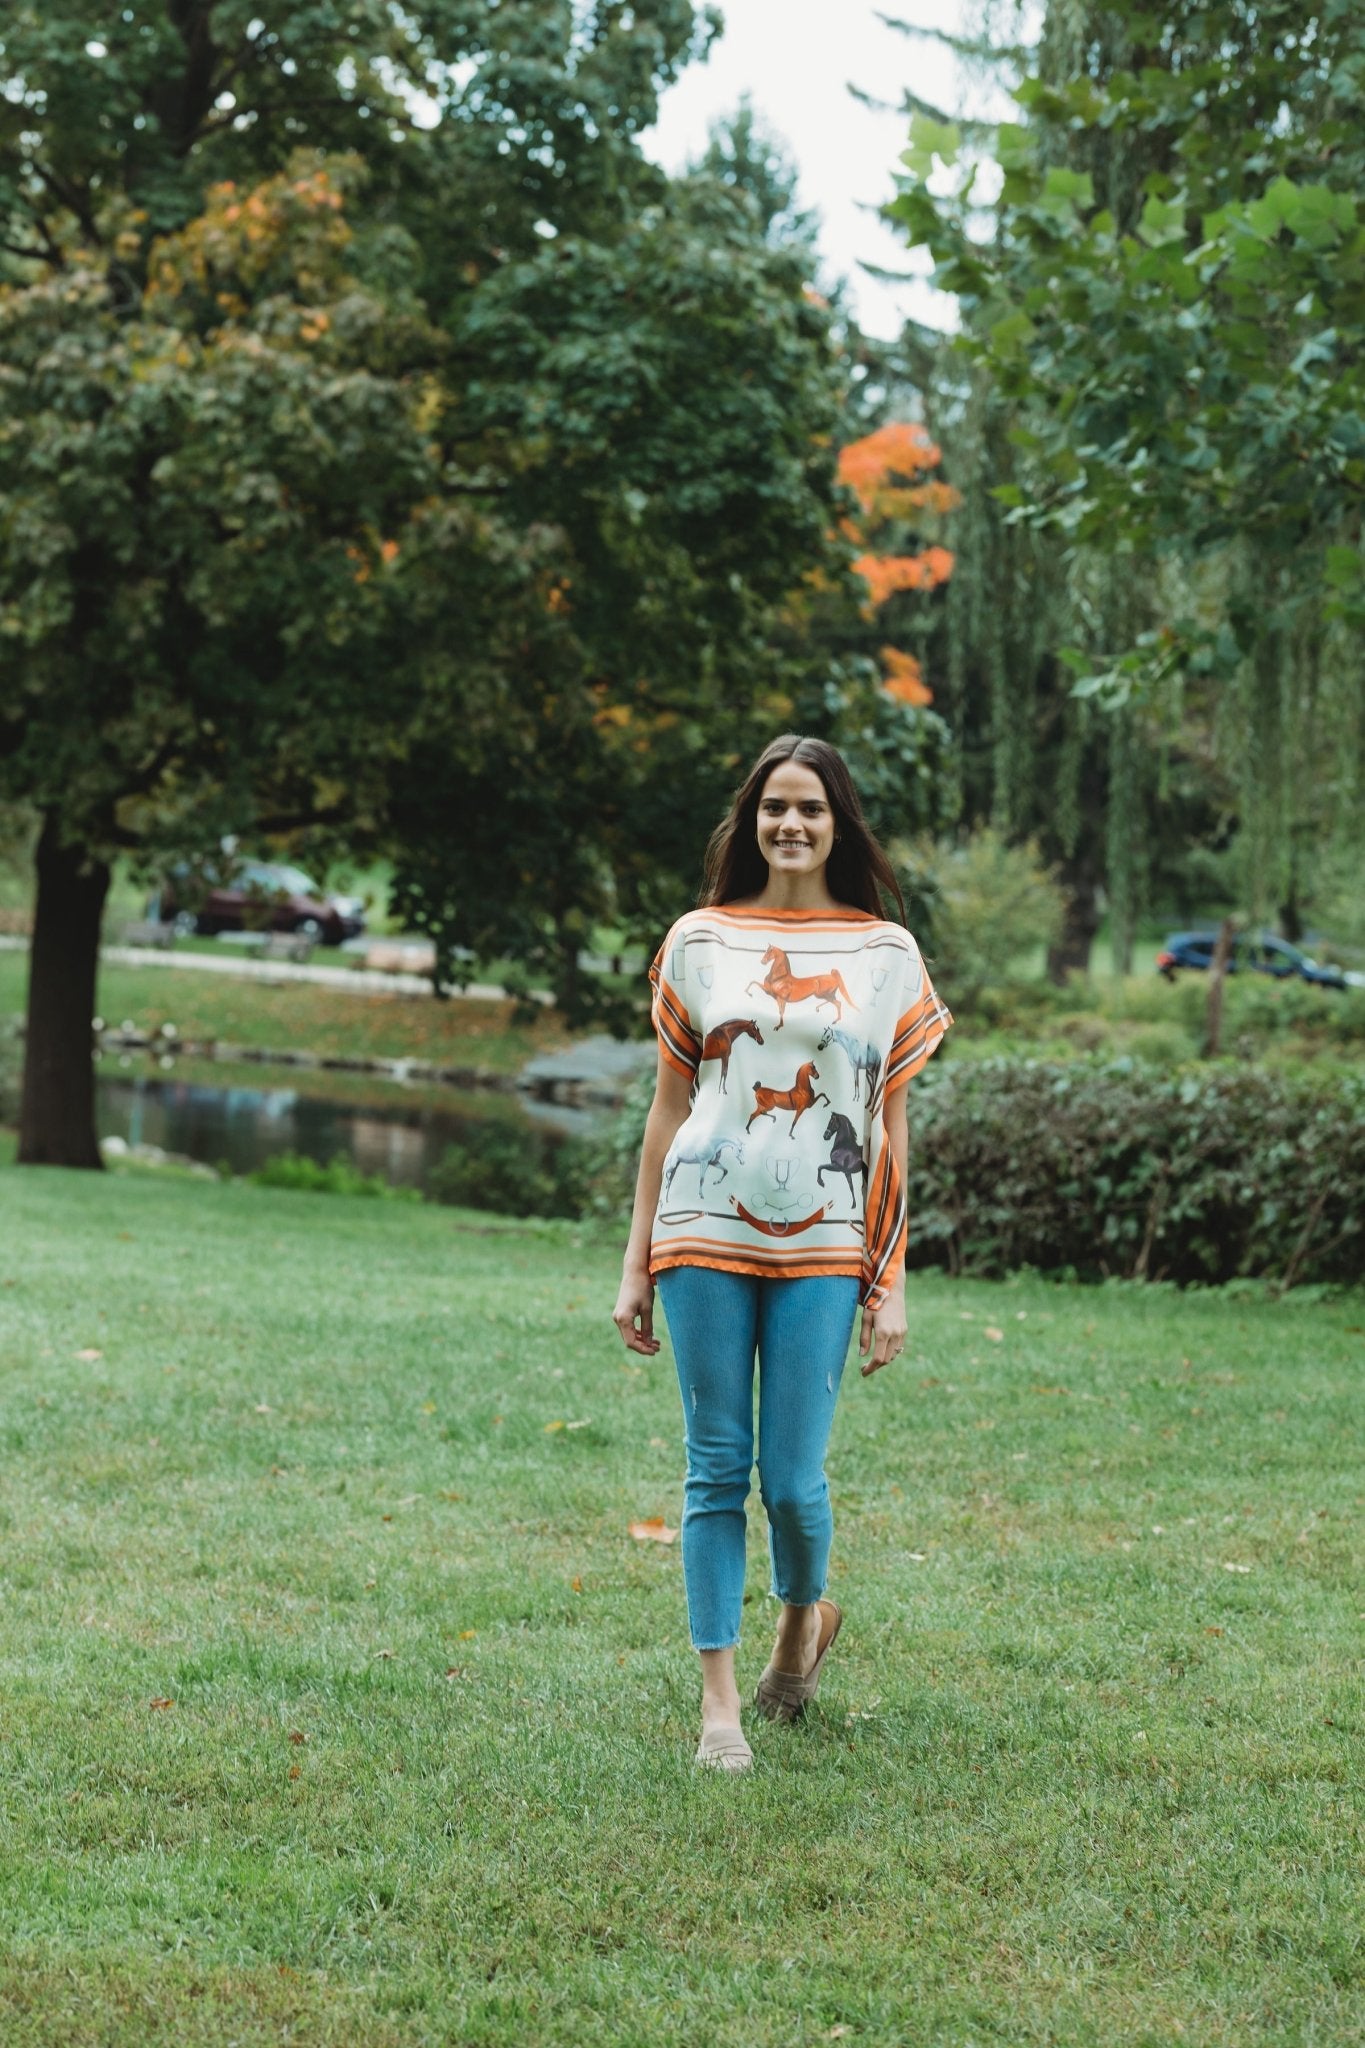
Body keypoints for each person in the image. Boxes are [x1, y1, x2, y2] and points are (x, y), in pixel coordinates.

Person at [612, 734, 952, 1770]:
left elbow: (890, 1127)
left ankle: (801, 1624)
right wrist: (635, 1263)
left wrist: (889, 1280)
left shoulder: (886, 952)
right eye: (772, 808)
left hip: (826, 1243)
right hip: (700, 1233)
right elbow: (669, 1109)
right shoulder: (700, 938)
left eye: (810, 807)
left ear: (840, 821)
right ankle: (720, 1707)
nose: (790, 824)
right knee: (716, 1468)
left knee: (795, 1481)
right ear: (750, 820)